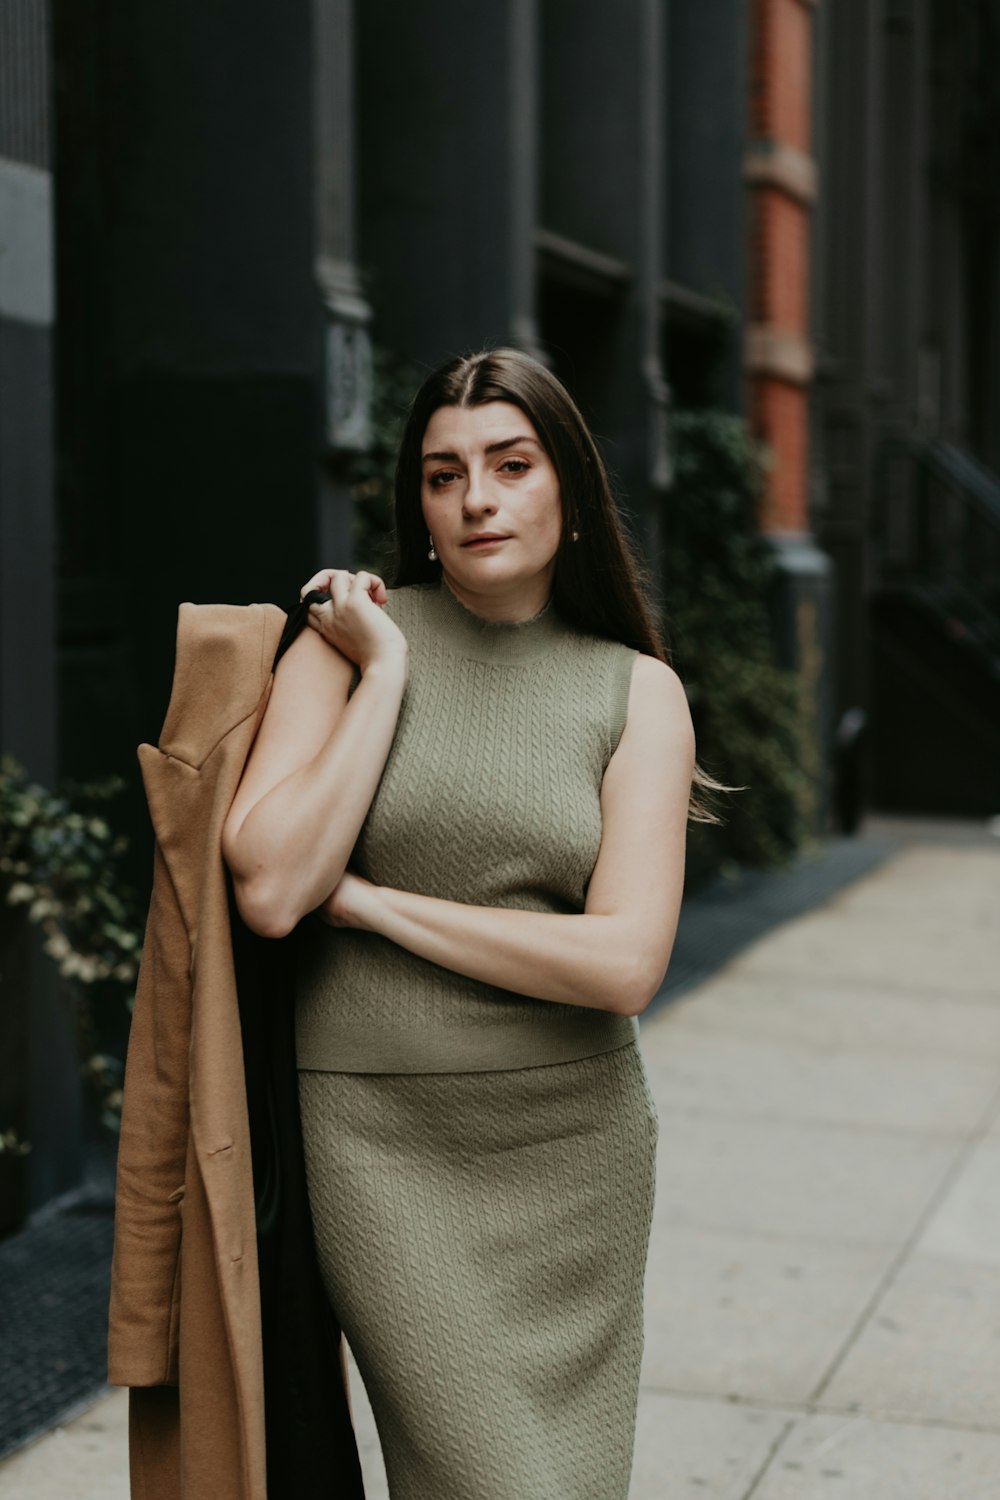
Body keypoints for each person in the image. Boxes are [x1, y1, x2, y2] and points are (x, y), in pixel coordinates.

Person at [220, 348, 719, 1499]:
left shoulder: (634, 690)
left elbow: (625, 961)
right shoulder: (340, 649)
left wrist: (378, 905)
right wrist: (387, 672)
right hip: (376, 1141)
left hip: (573, 1147)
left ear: (571, 493)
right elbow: (275, 885)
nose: (477, 498)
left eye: (510, 464)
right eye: (444, 475)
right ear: (419, 503)